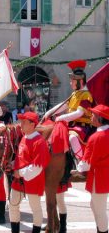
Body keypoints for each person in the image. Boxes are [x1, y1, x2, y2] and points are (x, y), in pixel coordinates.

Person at [44, 60, 94, 160]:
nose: (70, 83)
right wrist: (49, 112)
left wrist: (61, 117)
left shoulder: (86, 95)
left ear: (80, 81)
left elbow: (79, 113)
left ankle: (81, 163)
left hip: (83, 127)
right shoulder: (74, 94)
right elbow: (63, 105)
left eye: (72, 81)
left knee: (72, 138)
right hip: (72, 125)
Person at [9, 111, 50, 233]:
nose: (21, 124)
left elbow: (37, 167)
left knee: (35, 209)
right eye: (21, 121)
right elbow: (22, 158)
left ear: (32, 124)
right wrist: (12, 164)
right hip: (19, 179)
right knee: (13, 205)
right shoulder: (24, 137)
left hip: (33, 180)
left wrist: (19, 173)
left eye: (24, 122)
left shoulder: (40, 142)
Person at [76, 104, 109, 233]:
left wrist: (78, 167)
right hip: (104, 174)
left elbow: (86, 163)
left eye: (94, 114)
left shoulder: (95, 138)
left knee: (98, 209)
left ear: (100, 118)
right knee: (96, 206)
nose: (91, 116)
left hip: (99, 176)